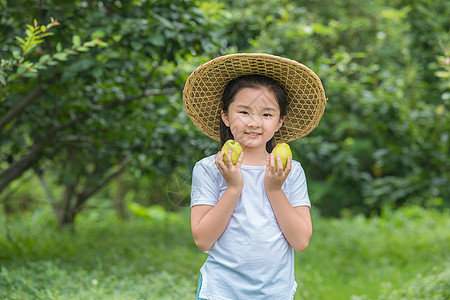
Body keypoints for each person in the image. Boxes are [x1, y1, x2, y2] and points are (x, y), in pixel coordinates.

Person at [182, 53, 327, 300]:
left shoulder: (289, 170)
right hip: (220, 291)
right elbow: (203, 240)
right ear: (225, 116)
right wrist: (233, 187)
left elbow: (301, 241)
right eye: (244, 112)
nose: (254, 123)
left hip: (275, 293)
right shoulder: (208, 168)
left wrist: (274, 189)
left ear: (280, 121)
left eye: (267, 114)